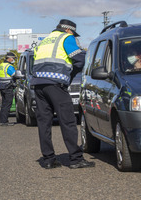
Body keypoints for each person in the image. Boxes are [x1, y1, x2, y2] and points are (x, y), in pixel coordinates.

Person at [31, 19, 95, 169]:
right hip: (55, 84)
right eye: (73, 33)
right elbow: (79, 59)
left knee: (44, 123)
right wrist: (70, 75)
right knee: (68, 121)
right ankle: (76, 158)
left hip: (38, 85)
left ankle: (48, 159)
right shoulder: (66, 38)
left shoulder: (44, 41)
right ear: (68, 30)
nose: (74, 36)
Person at [0, 52, 16, 126]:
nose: (13, 60)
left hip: (2, 86)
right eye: (13, 58)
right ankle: (4, 121)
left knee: (4, 104)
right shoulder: (9, 66)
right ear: (9, 58)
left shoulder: (1, 65)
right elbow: (14, 75)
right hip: (8, 86)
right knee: (8, 103)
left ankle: (3, 120)